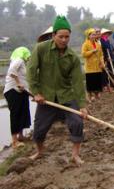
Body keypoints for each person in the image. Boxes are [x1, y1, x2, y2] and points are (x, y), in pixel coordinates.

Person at [27, 15, 88, 166]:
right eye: (60, 36)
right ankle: (40, 151)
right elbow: (31, 70)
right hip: (46, 98)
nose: (64, 40)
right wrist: (36, 92)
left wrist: (82, 105)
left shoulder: (72, 57)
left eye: (67, 37)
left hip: (66, 96)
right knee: (39, 129)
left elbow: (78, 82)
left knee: (77, 123)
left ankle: (75, 155)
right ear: (53, 35)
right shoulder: (41, 49)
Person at [3, 47, 31, 149]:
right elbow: (12, 71)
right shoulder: (18, 60)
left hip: (21, 92)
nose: (29, 57)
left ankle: (21, 136)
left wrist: (30, 92)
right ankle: (14, 141)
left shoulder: (22, 63)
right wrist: (18, 83)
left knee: (23, 112)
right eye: (28, 55)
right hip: (13, 91)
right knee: (16, 114)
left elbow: (24, 78)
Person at [82, 28, 104, 101]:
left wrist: (102, 63)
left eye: (94, 35)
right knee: (91, 83)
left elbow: (101, 55)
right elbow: (83, 54)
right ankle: (90, 96)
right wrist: (91, 51)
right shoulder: (85, 44)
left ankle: (97, 95)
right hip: (90, 67)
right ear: (88, 36)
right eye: (92, 35)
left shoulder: (98, 45)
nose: (94, 36)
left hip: (97, 67)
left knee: (97, 82)